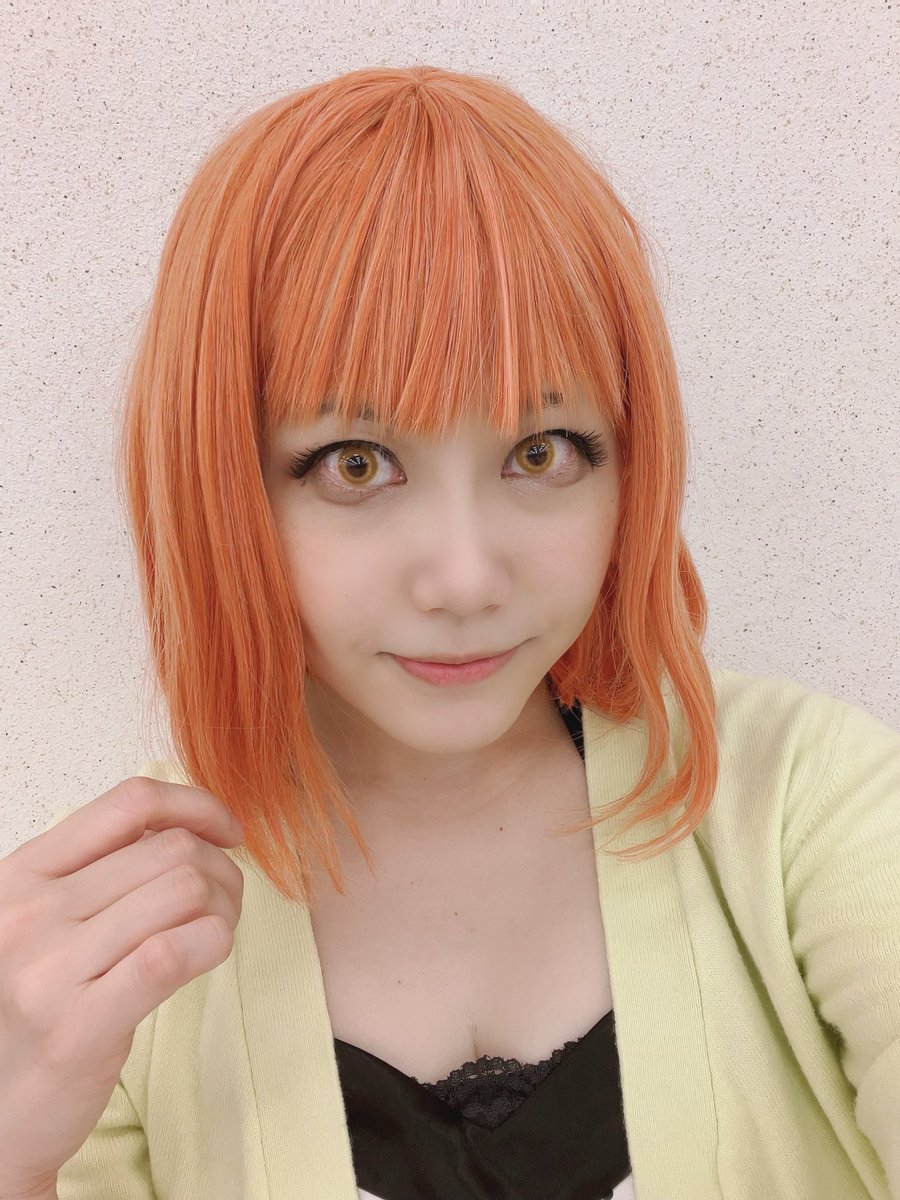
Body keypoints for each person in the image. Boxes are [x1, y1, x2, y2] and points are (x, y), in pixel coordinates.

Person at [2, 64, 898, 1200]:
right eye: (356, 464)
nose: (467, 577)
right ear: (223, 482)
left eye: (541, 452)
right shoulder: (110, 956)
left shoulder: (802, 806)